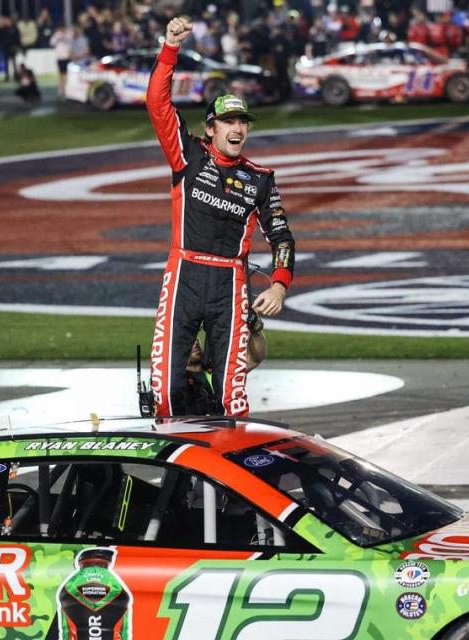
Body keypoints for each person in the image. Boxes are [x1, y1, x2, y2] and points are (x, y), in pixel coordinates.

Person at [146, 16, 295, 418]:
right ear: (210, 128)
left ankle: (223, 476)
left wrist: (279, 286)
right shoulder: (188, 155)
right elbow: (158, 106)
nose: (238, 129)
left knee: (232, 392)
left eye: (243, 122)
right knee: (165, 386)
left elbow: (282, 238)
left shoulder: (260, 179)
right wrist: (170, 48)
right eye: (229, 121)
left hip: (231, 281)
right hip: (184, 274)